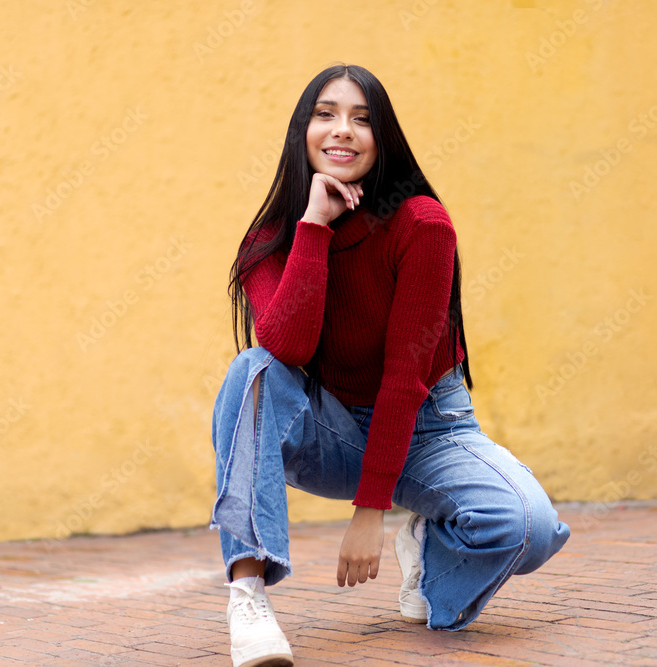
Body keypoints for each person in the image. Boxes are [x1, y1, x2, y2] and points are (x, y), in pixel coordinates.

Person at [211, 63, 570, 667]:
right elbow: (288, 350)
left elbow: (405, 374)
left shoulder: (421, 225)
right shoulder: (273, 241)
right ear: (303, 131)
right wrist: (314, 226)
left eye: (362, 119)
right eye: (325, 114)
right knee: (251, 371)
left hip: (428, 423)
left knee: (526, 527)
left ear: (384, 139)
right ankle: (246, 594)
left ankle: (428, 542)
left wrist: (370, 512)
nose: (342, 131)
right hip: (333, 430)